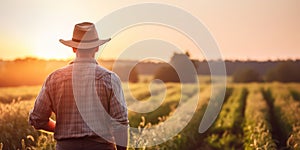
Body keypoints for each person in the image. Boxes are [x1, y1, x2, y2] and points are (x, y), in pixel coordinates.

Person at [29, 22, 129, 150]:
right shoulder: (110, 79)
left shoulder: (54, 79)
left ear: (73, 48)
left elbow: (37, 119)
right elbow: (120, 123)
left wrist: (65, 130)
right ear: (97, 48)